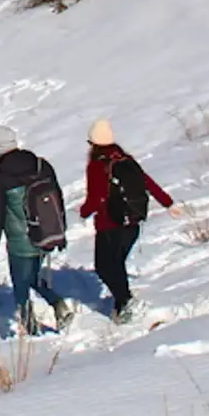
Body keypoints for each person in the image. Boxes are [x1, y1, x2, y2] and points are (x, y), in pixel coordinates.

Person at [78, 118, 175, 323]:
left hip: (109, 224)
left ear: (94, 143)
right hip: (131, 222)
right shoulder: (125, 159)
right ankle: (122, 307)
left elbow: (97, 197)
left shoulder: (97, 166)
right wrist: (168, 203)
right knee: (116, 265)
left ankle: (127, 302)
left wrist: (83, 212)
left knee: (104, 267)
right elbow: (147, 182)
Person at [0, 125, 75, 335]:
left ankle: (32, 331)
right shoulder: (41, 165)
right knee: (33, 277)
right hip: (45, 235)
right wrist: (60, 231)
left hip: (20, 242)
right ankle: (57, 303)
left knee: (21, 287)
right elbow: (57, 199)